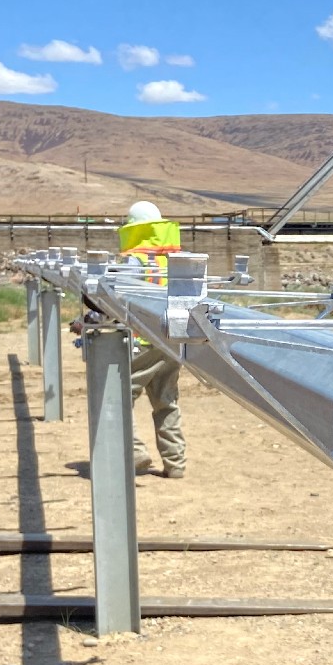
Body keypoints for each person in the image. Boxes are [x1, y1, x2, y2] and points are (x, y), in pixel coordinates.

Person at [117, 200, 187, 478]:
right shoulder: (178, 260)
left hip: (141, 342)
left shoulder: (137, 261)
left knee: (118, 396)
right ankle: (176, 463)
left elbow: (115, 295)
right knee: (166, 402)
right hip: (172, 341)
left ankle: (135, 453)